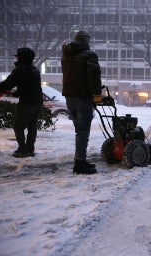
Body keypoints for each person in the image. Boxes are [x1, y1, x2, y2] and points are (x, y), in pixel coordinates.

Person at [0, 47, 43, 158]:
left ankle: (23, 149)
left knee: (18, 126)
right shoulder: (34, 69)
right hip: (37, 102)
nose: (16, 59)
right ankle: (30, 149)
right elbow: (30, 85)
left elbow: (7, 83)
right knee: (32, 126)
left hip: (26, 103)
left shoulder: (20, 70)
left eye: (17, 57)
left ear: (22, 58)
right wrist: (17, 93)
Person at [61, 30, 102, 174]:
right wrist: (97, 95)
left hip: (69, 96)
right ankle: (79, 163)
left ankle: (80, 160)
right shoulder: (89, 55)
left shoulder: (66, 55)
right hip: (83, 97)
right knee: (83, 132)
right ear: (86, 41)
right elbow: (94, 77)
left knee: (79, 131)